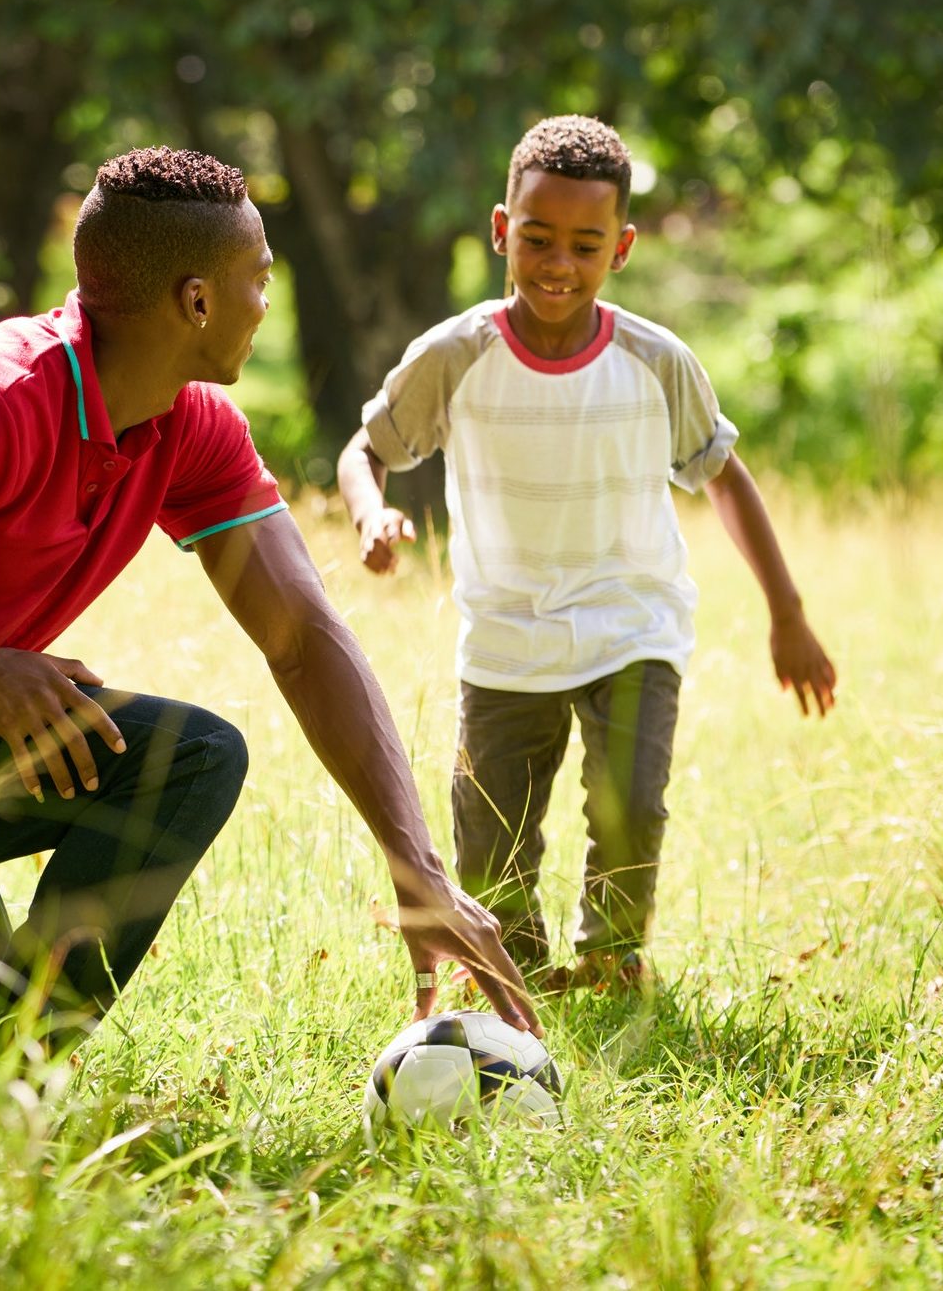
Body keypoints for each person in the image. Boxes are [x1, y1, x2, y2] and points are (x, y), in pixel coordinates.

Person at [0, 146, 539, 1081]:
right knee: (188, 756)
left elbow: (301, 634)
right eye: (259, 279)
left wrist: (417, 868)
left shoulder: (187, 428)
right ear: (197, 301)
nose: (267, 302)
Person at [337, 116, 837, 994]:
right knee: (490, 837)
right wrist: (370, 512)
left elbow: (724, 476)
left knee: (631, 808)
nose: (557, 264)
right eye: (536, 239)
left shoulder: (654, 361)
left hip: (631, 625)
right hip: (504, 640)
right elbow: (365, 448)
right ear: (502, 229)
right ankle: (515, 969)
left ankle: (611, 960)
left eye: (585, 244)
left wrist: (788, 614)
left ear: (624, 246)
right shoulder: (457, 355)